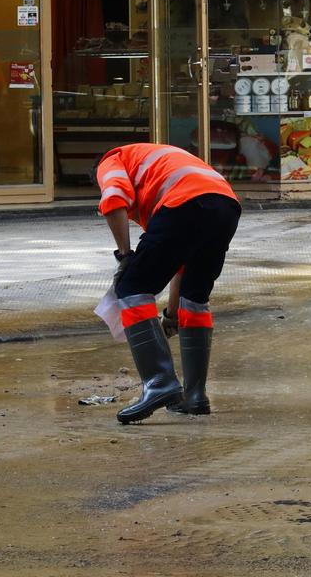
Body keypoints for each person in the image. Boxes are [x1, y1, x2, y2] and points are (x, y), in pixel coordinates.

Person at [97, 142, 242, 423]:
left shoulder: (112, 158)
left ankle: (159, 383)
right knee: (195, 298)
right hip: (225, 205)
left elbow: (114, 197)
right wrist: (171, 315)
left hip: (186, 203)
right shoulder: (158, 169)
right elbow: (181, 264)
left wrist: (125, 256)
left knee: (131, 287)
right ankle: (195, 397)